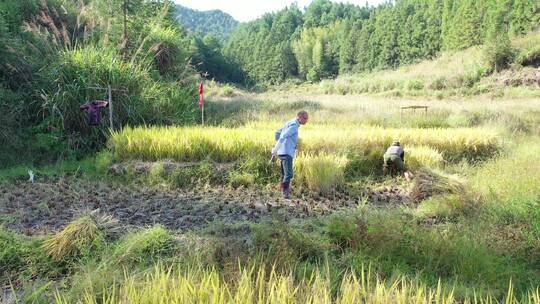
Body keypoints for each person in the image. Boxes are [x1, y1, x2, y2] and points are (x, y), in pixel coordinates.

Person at [272, 110, 309, 198]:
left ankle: (282, 190)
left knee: (284, 173)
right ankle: (285, 192)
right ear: (299, 117)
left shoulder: (289, 122)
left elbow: (278, 132)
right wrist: (276, 147)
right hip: (286, 152)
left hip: (282, 151)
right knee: (288, 174)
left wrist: (277, 148)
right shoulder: (294, 126)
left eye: (307, 118)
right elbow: (283, 135)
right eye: (305, 118)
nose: (306, 120)